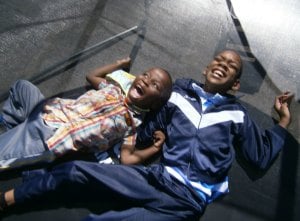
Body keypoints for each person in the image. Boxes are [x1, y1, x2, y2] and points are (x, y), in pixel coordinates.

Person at [0, 50, 294, 220]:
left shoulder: (237, 114)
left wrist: (283, 122)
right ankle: (8, 199)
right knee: (74, 170)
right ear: (207, 68)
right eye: (219, 60)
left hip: (188, 200)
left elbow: (261, 155)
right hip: (158, 178)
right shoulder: (178, 94)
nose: (223, 65)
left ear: (235, 84)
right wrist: (125, 141)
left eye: (231, 67)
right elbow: (143, 120)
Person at [0, 57, 172, 171]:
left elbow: (127, 158)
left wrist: (155, 148)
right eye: (145, 75)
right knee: (22, 87)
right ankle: (13, 130)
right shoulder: (113, 89)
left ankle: (16, 136)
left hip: (52, 137)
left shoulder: (132, 124)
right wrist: (118, 64)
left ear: (155, 103)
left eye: (154, 85)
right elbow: (91, 76)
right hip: (48, 110)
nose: (145, 80)